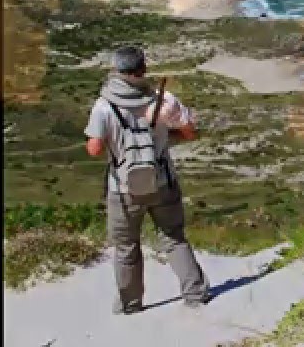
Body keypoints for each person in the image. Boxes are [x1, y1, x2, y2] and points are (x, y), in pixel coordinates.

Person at [84, 45, 211, 314]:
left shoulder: (104, 106)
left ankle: (131, 305)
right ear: (143, 70)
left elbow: (94, 149)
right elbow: (190, 133)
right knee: (174, 238)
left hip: (123, 187)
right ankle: (195, 294)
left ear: (117, 71)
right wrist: (164, 138)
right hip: (162, 180)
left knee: (126, 247)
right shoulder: (163, 101)